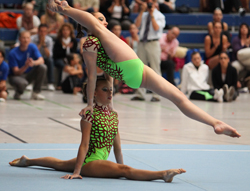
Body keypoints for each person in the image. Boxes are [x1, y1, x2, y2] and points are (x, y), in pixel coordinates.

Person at [49, 0, 240, 139]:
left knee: (179, 97)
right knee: (177, 97)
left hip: (135, 72)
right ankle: (64, 8)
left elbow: (107, 76)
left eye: (105, 19)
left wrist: (110, 104)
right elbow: (92, 76)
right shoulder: (92, 40)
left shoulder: (98, 42)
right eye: (101, 19)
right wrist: (90, 104)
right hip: (132, 69)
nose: (105, 23)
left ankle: (215, 123)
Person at [9, 78, 186, 182]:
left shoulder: (113, 115)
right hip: (90, 161)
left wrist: (118, 164)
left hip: (97, 159)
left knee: (60, 164)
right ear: (94, 93)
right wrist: (77, 172)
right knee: (124, 171)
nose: (110, 92)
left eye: (111, 89)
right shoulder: (89, 115)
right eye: (104, 89)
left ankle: (28, 161)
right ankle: (163, 174)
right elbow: (84, 144)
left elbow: (117, 147)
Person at [131, 0, 165, 102]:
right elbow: (136, 25)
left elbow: (156, 28)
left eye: (151, 2)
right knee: (140, 69)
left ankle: (156, 95)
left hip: (153, 43)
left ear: (155, 3)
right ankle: (140, 94)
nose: (149, 4)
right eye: (148, 2)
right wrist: (142, 11)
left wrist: (152, 15)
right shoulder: (144, 15)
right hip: (142, 43)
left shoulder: (160, 16)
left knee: (155, 69)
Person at [8, 31, 46, 100]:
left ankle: (36, 93)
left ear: (30, 39)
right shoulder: (13, 53)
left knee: (42, 67)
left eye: (28, 38)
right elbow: (16, 72)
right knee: (23, 83)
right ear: (19, 39)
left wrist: (33, 63)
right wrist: (26, 66)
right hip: (16, 76)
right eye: (24, 38)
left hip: (28, 74)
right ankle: (18, 92)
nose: (26, 40)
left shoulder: (32, 47)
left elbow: (41, 60)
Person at [53, 23, 78, 90]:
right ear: (61, 31)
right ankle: (59, 84)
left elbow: (74, 53)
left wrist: (69, 48)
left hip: (70, 59)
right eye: (64, 30)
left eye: (67, 30)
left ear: (70, 31)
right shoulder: (58, 40)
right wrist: (65, 48)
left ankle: (76, 84)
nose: (65, 31)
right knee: (62, 65)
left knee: (76, 64)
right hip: (60, 58)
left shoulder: (73, 41)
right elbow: (56, 54)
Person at [31, 24, 55, 91]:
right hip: (35, 58)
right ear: (38, 31)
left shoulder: (49, 40)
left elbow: (49, 55)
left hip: (45, 58)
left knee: (50, 61)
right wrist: (40, 44)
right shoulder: (32, 38)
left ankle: (50, 83)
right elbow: (33, 53)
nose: (42, 33)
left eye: (44, 31)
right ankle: (30, 83)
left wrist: (44, 45)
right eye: (41, 31)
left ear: (47, 32)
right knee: (31, 60)